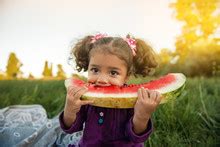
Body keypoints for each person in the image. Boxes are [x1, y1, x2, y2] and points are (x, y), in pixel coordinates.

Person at [59, 33, 161, 147]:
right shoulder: (85, 96)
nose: (102, 79)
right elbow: (71, 128)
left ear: (126, 76)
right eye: (95, 70)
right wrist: (69, 109)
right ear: (88, 68)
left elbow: (135, 136)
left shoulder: (132, 100)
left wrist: (142, 115)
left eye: (113, 73)